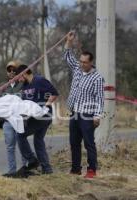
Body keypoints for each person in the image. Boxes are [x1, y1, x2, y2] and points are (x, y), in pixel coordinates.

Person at [64, 31, 104, 178]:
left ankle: (92, 170)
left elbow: (100, 98)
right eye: (80, 61)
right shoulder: (77, 70)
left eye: (84, 62)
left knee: (89, 143)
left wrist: (97, 116)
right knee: (74, 143)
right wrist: (69, 42)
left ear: (91, 62)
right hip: (74, 112)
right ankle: (75, 169)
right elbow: (68, 57)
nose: (81, 64)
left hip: (87, 114)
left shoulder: (97, 78)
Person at [16, 64, 59, 174]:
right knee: (38, 141)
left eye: (19, 76)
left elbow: (54, 93)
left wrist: (46, 106)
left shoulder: (39, 80)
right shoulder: (24, 86)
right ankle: (47, 169)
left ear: (25, 73)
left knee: (20, 135)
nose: (19, 79)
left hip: (44, 116)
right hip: (34, 117)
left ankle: (32, 160)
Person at [0, 61, 33, 177]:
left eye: (14, 70)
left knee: (22, 145)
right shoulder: (3, 87)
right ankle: (12, 171)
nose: (12, 72)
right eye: (9, 70)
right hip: (7, 121)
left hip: (20, 120)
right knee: (10, 147)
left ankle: (24, 169)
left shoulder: (24, 85)